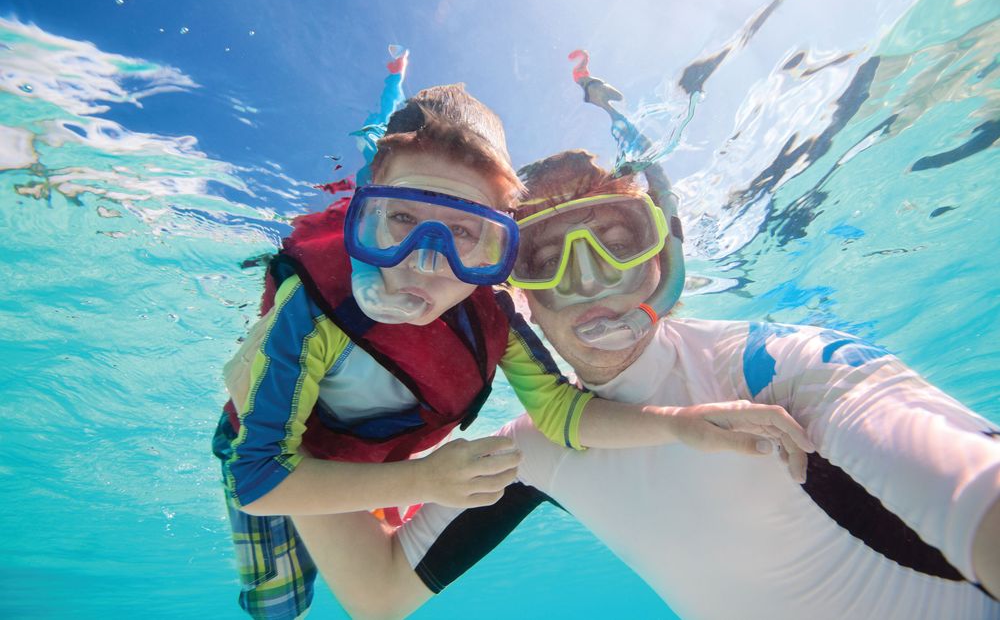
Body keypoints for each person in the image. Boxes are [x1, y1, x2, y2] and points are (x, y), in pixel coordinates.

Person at [213, 58, 815, 620]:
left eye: (463, 233)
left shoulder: (493, 317)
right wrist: (422, 481)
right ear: (365, 216)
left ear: (498, 245)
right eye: (401, 219)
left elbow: (559, 412)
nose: (425, 261)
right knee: (279, 603)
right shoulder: (311, 311)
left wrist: (678, 424)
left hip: (382, 456)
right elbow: (259, 480)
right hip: (279, 447)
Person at [396, 110, 1000, 617]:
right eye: (546, 259)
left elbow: (974, 485)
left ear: (665, 258)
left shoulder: (773, 368)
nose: (589, 281)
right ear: (516, 294)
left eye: (618, 244)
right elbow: (380, 592)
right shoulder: (537, 445)